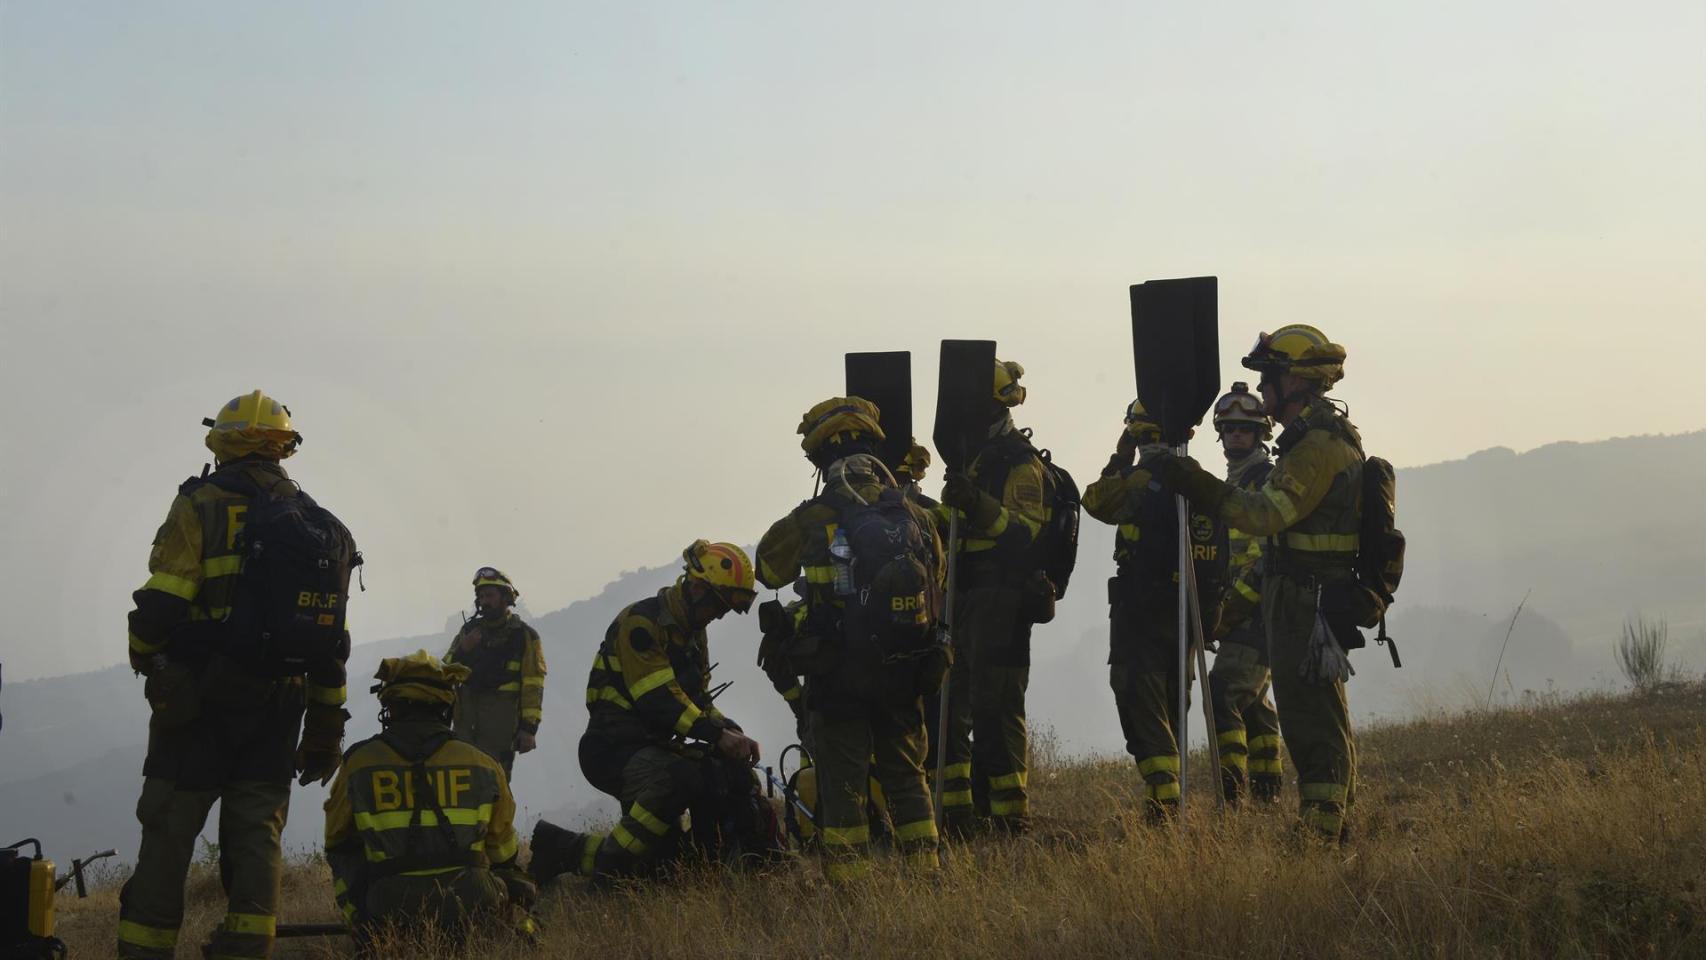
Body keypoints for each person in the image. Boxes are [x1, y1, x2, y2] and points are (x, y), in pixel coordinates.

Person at [118, 391, 354, 960]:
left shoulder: (200, 504)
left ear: (221, 441)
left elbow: (164, 603)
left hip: (200, 701)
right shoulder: (317, 523)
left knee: (169, 832)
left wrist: (145, 654)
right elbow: (330, 640)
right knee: (256, 837)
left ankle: (145, 950)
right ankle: (246, 950)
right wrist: (325, 726)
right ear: (283, 448)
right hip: (280, 708)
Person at [1150, 324, 1363, 841]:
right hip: (1295, 597)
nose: (1263, 392)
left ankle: (1320, 836)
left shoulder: (1315, 446)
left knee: (1312, 721)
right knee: (1301, 711)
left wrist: (1191, 482)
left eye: (1268, 379)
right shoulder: (1311, 439)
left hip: (1304, 601)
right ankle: (1327, 825)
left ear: (1293, 381)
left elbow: (1267, 515)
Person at [755, 397, 946, 878]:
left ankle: (852, 891)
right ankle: (927, 877)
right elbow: (939, 577)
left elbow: (768, 569)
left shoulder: (815, 517)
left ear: (822, 457)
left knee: (842, 786)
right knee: (907, 777)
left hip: (838, 672)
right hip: (905, 665)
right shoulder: (912, 514)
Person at [571, 541, 762, 883]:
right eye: (718, 607)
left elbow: (696, 700)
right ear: (697, 588)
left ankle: (710, 867)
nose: (718, 616)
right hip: (612, 746)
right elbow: (658, 700)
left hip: (654, 746)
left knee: (663, 862)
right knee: (680, 777)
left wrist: (731, 731)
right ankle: (606, 871)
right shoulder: (641, 624)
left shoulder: (693, 634)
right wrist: (716, 735)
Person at [324, 652, 535, 950]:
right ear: (446, 708)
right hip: (474, 905)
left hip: (387, 910)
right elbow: (504, 853)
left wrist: (360, 917)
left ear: (390, 707)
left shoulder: (359, 764)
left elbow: (337, 844)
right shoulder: (484, 765)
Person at [1080, 399, 1224, 820]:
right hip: (1189, 613)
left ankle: (1163, 801)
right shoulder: (1202, 482)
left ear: (1138, 435)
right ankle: (1170, 796)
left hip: (1141, 613)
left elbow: (1094, 502)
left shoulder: (1138, 481)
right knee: (1174, 699)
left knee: (1139, 698)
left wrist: (1119, 457)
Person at [930, 360, 1048, 834]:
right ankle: (959, 811)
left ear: (996, 408)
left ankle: (1009, 815)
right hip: (960, 594)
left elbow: (1026, 534)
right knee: (952, 703)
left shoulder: (1020, 464)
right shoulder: (970, 460)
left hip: (1002, 598)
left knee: (996, 706)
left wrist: (975, 503)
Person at [1205, 382, 1285, 805]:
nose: (1237, 435)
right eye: (1230, 428)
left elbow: (1263, 557)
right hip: (1244, 612)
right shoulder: (1232, 483)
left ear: (1260, 434)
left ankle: (1231, 792)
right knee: (1254, 704)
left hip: (1256, 611)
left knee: (1223, 693)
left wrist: (1231, 608)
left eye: (1245, 429)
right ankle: (1268, 792)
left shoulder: (1264, 482)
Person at [443, 567, 546, 780]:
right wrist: (464, 650)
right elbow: (445, 672)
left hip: (501, 727)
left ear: (506, 597)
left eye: (489, 595)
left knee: (495, 784)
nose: (484, 601)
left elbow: (533, 684)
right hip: (466, 725)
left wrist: (528, 729)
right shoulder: (468, 632)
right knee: (463, 784)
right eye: (481, 596)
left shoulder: (524, 636)